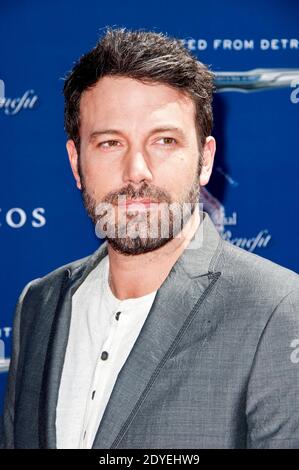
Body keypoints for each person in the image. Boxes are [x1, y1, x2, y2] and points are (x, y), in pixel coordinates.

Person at [1, 26, 299, 450]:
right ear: (75, 162)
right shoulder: (39, 303)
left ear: (205, 159)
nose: (136, 170)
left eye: (164, 141)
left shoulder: (280, 309)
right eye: (109, 143)